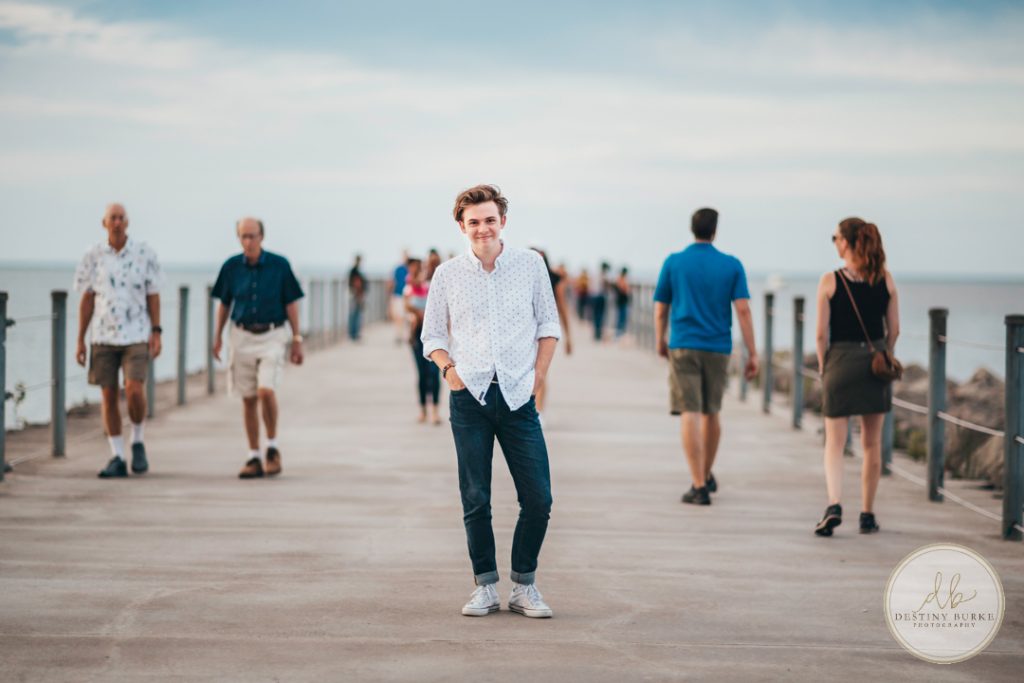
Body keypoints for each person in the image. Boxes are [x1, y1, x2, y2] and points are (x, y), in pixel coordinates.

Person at [421, 184, 562, 619]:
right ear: (461, 226)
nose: (483, 228)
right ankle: (485, 586)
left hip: (519, 397)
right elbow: (432, 336)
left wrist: (538, 375)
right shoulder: (447, 274)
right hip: (470, 399)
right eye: (474, 222)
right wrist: (450, 372)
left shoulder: (530, 265)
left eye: (489, 220)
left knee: (538, 497)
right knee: (476, 498)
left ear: (503, 222)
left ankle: (524, 586)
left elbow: (549, 324)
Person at [654, 208, 758, 506]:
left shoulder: (674, 263)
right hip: (718, 346)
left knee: (690, 410)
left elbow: (661, 308)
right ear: (715, 230)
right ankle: (706, 473)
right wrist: (753, 352)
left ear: (692, 229)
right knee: (712, 411)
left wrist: (661, 340)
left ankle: (698, 484)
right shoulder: (731, 265)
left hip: (683, 344)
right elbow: (743, 310)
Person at [814, 218, 899, 536]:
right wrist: (884, 353)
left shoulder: (830, 280)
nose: (834, 242)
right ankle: (867, 513)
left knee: (835, 443)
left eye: (836, 237)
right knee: (871, 443)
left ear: (847, 242)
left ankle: (834, 504)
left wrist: (824, 365)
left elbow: (821, 334)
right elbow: (895, 329)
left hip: (840, 361)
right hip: (874, 362)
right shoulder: (885, 279)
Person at [73, 203, 162, 478]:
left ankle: (137, 439)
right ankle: (117, 456)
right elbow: (87, 298)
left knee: (134, 389)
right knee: (108, 394)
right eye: (113, 218)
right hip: (102, 335)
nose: (117, 222)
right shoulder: (93, 255)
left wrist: (156, 331)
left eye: (122, 217)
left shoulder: (144, 252)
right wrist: (80, 339)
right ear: (104, 223)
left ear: (128, 222)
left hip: (136, 333)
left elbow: (153, 293)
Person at [211, 217, 304, 479]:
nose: (249, 241)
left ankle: (272, 448)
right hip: (241, 336)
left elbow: (291, 304)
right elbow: (224, 304)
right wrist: (217, 337)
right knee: (248, 397)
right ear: (239, 238)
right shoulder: (230, 267)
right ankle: (254, 455)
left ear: (262, 237)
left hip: (272, 335)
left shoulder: (279, 265)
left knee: (266, 390)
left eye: (253, 236)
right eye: (244, 236)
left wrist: (297, 340)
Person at [531, 248, 573, 425]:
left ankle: (539, 413)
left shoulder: (554, 281)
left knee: (541, 372)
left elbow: (562, 308)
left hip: (545, 331)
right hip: (526, 332)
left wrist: (569, 337)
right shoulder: (518, 278)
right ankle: (532, 410)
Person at [404, 257, 441, 424]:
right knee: (422, 374)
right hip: (416, 334)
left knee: (434, 374)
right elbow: (407, 309)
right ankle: (423, 410)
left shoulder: (431, 287)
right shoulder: (408, 289)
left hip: (433, 335)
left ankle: (434, 411)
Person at [389, 251, 409, 345]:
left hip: (407, 296)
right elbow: (393, 282)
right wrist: (391, 296)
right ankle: (399, 335)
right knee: (398, 317)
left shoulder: (409, 269)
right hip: (398, 295)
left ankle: (405, 335)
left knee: (405, 316)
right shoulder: (398, 269)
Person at [348, 254, 366, 341]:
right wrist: (358, 294)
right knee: (354, 314)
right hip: (355, 295)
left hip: (357, 295)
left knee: (356, 314)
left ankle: (354, 333)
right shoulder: (354, 271)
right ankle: (353, 333)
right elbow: (356, 284)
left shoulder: (355, 271)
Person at [591, 262, 611, 341]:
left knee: (596, 315)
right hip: (600, 297)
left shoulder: (595, 274)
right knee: (600, 315)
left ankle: (596, 333)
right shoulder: (604, 275)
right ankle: (598, 334)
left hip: (594, 296)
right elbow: (606, 286)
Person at [614, 267, 631, 339]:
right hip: (622, 302)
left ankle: (619, 333)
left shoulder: (619, 279)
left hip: (621, 301)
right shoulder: (621, 279)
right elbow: (624, 289)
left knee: (621, 318)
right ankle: (619, 334)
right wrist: (627, 288)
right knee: (621, 318)